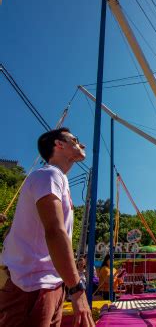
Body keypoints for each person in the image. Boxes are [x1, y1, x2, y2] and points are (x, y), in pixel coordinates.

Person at [0, 127, 94, 326]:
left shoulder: (57, 179)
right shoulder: (48, 175)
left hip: (49, 285)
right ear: (59, 144)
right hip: (32, 287)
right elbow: (54, 231)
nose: (82, 144)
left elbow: (23, 232)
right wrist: (77, 289)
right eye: (75, 140)